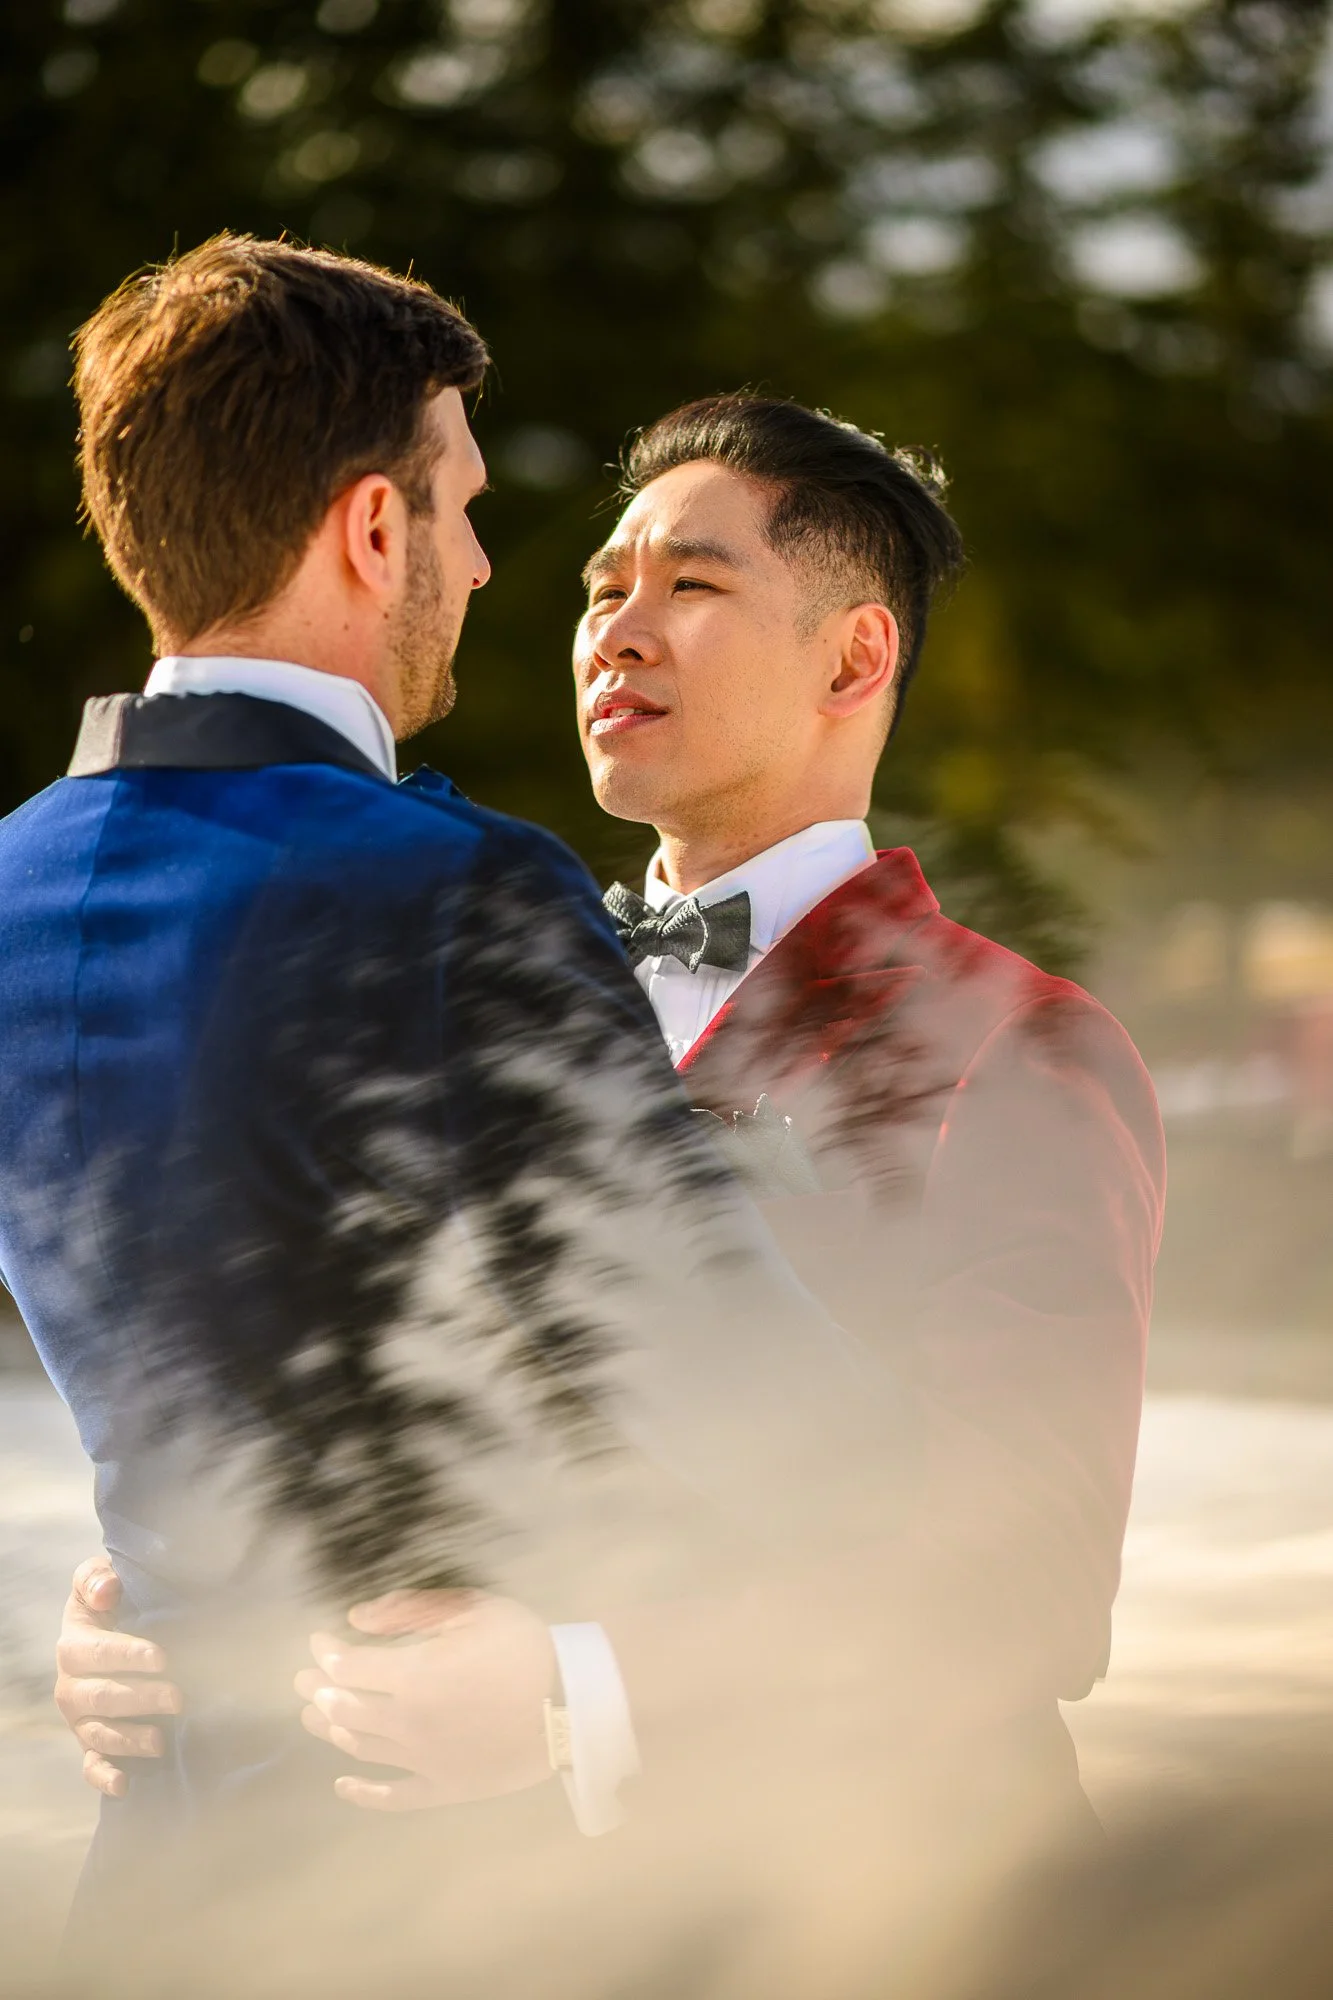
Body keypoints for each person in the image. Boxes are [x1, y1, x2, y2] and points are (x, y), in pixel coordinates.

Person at [53, 391, 1166, 1989]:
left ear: (854, 659)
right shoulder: (465, 967)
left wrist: (590, 1693)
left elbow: (1029, 1583)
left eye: (690, 586)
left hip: (872, 1913)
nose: (615, 631)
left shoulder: (1015, 1045)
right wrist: (171, 1625)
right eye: (600, 588)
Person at [0, 245, 902, 1992]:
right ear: (370, 529)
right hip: (440, 1881)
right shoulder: (451, 888)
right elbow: (768, 1419)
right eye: (464, 507)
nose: (486, 565)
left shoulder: (11, 886)